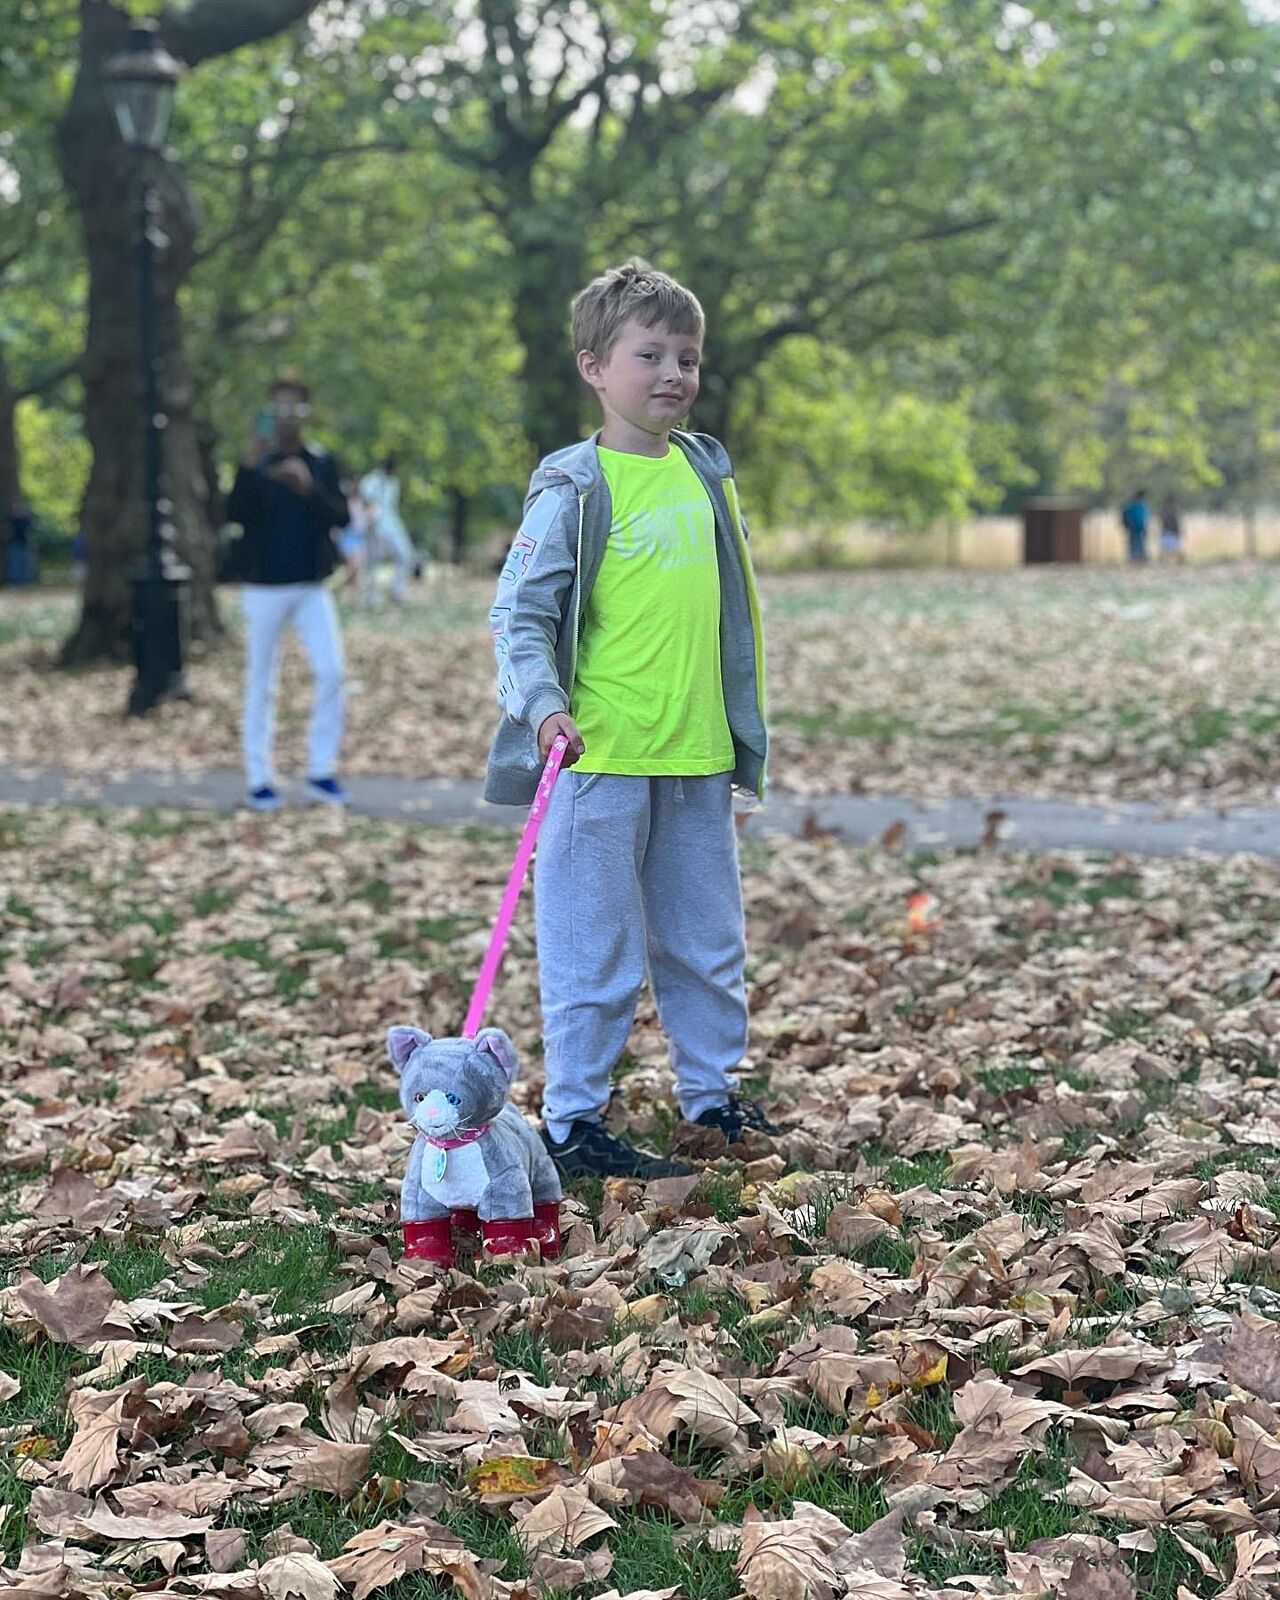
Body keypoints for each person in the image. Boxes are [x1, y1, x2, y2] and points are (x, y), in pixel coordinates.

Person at [484, 258, 772, 1181]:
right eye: (649, 355)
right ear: (594, 368)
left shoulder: (705, 472)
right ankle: (575, 1122)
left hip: (696, 755)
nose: (672, 374)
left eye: (686, 358)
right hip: (597, 760)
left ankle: (711, 1100)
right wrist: (544, 709)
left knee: (706, 944)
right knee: (592, 951)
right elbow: (518, 616)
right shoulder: (573, 488)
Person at [225, 377, 349, 812]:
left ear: (305, 414)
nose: (285, 419)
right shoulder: (255, 464)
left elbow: (341, 516)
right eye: (278, 410)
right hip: (262, 588)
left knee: (332, 672)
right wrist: (251, 467)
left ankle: (320, 771)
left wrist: (307, 488)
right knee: (261, 681)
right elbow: (234, 513)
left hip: (311, 586)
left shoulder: (320, 462)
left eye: (294, 410)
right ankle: (259, 778)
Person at [360, 454, 416, 607]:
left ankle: (397, 590)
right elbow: (366, 502)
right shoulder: (370, 481)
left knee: (406, 554)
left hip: (392, 524)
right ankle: (372, 597)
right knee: (373, 562)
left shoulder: (394, 483)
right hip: (375, 526)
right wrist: (370, 519)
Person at [336, 476, 367, 591]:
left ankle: (352, 592)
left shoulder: (360, 501)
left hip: (358, 536)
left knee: (357, 568)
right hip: (347, 535)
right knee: (352, 566)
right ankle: (338, 589)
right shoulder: (343, 502)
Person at [1120, 489, 1149, 564]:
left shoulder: (1130, 505)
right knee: (1138, 544)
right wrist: (1144, 528)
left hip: (1132, 528)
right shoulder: (1140, 506)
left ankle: (1135, 559)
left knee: (1134, 544)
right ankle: (1137, 559)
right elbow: (1142, 519)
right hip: (1137, 528)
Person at [1159, 494, 1183, 561]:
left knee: (1170, 548)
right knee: (1171, 548)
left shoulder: (1166, 510)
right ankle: (1164, 560)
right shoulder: (1172, 510)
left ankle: (1178, 560)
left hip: (1169, 531)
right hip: (1169, 531)